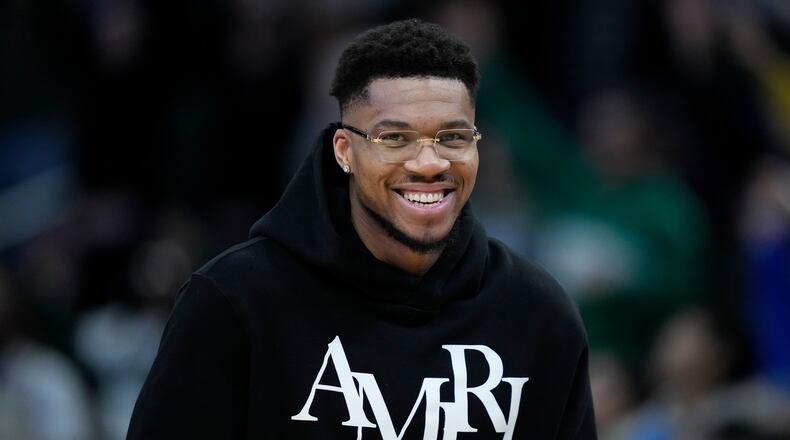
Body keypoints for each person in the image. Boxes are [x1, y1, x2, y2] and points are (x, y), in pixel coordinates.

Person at [127, 19, 596, 439]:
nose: (429, 163)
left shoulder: (538, 315)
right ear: (344, 151)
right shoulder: (234, 302)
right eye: (395, 138)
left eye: (453, 137)